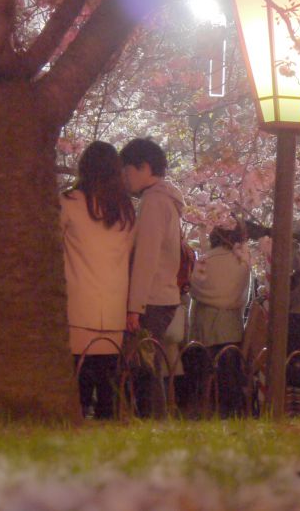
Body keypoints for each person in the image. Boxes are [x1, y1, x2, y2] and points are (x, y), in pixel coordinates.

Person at [60, 142, 136, 419]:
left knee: (78, 380)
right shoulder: (125, 211)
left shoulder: (69, 203)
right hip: (113, 307)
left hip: (78, 305)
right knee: (107, 382)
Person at [120, 138, 185, 416]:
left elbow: (146, 257)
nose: (125, 178)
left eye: (127, 171)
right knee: (149, 365)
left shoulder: (154, 201)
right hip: (164, 295)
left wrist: (134, 307)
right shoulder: (166, 199)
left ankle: (152, 423)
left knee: (145, 368)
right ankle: (154, 423)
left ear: (144, 167)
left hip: (152, 298)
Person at [188, 226, 250, 417]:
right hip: (231, 326)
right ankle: (231, 413)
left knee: (203, 376)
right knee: (229, 377)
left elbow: (194, 289)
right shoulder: (242, 261)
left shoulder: (206, 259)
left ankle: (202, 411)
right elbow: (244, 296)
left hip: (205, 327)